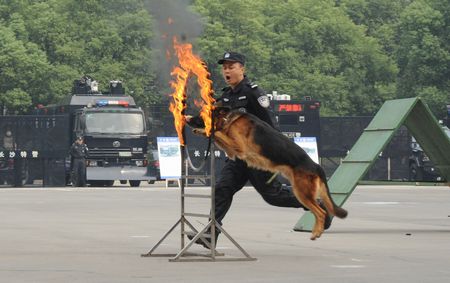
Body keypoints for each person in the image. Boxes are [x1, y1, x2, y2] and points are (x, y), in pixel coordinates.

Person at [186, 51, 331, 248]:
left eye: (232, 66)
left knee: (273, 196)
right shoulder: (226, 96)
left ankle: (316, 204)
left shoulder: (254, 93)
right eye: (225, 67)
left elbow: (271, 127)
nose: (227, 71)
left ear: (242, 69)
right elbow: (212, 120)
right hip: (238, 157)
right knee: (222, 189)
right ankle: (211, 235)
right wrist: (187, 119)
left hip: (259, 157)